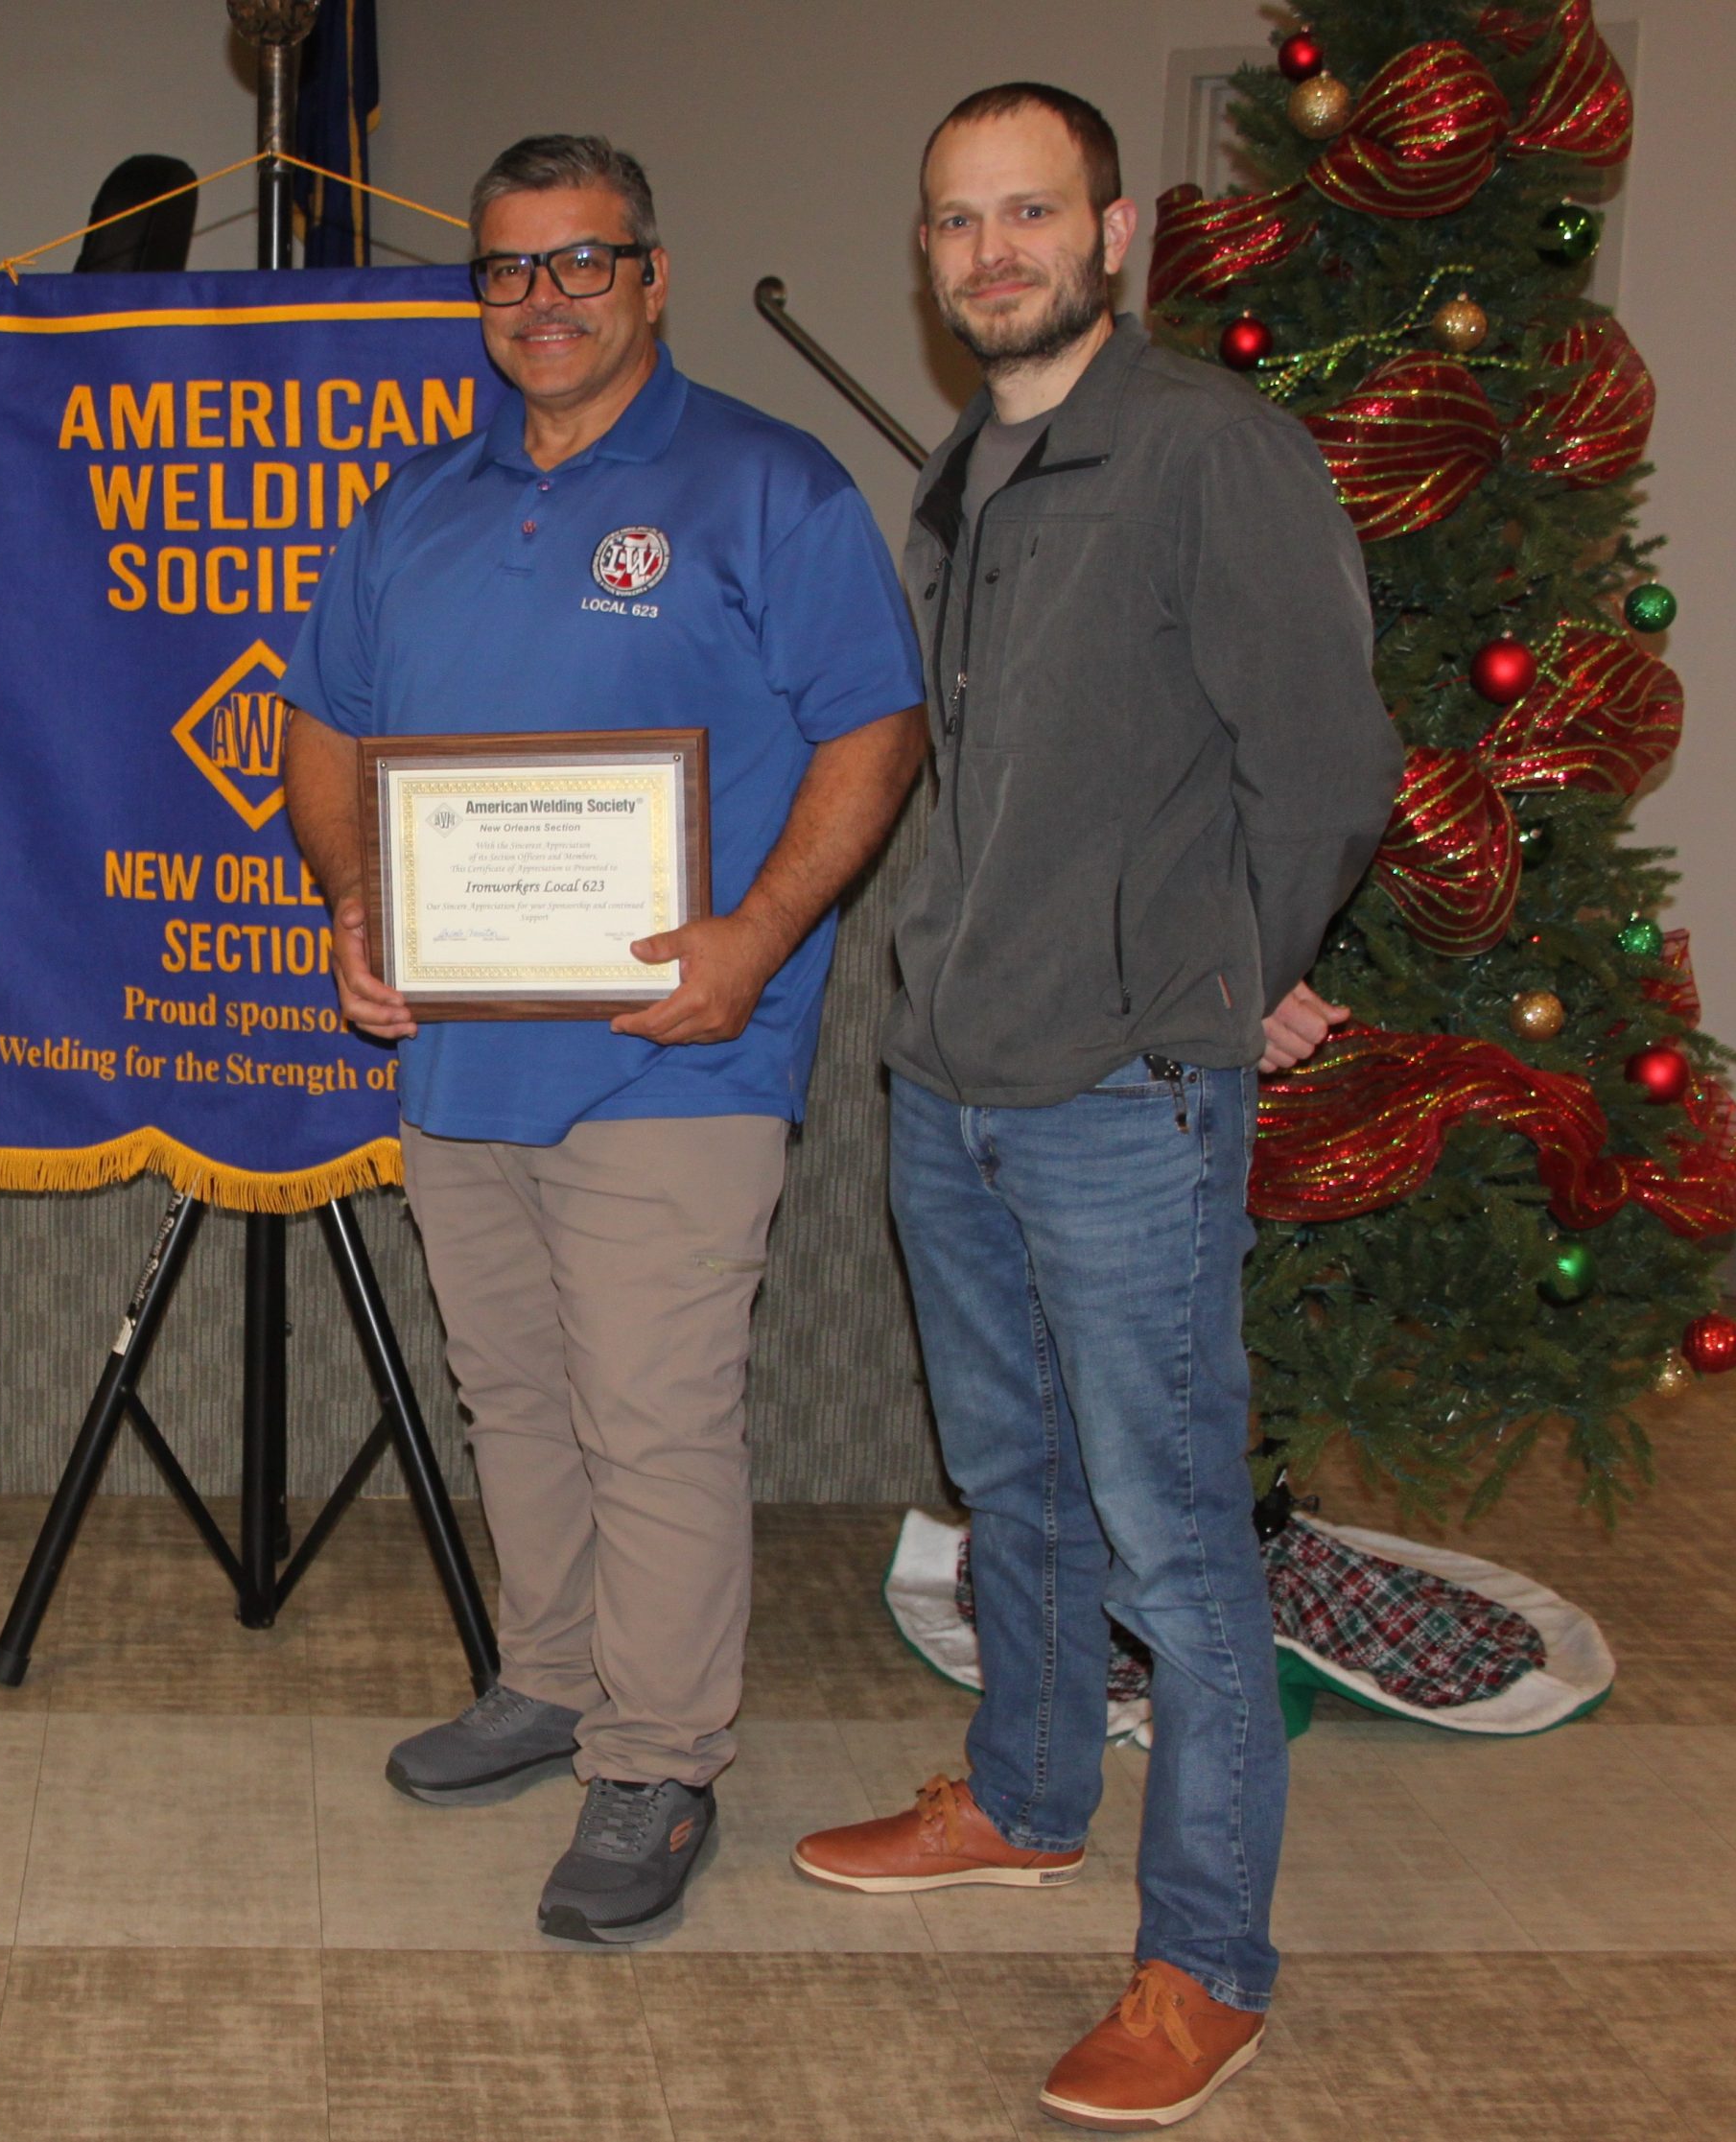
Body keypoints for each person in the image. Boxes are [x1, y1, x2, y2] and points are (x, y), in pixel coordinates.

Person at [788, 85, 1401, 2130]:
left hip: (1124, 1085)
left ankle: (1204, 1959)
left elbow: (1326, 765)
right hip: (951, 1069)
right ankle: (1027, 1797)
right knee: (1011, 1476)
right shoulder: (965, 469)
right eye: (958, 219)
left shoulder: (1210, 453)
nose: (993, 252)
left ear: (1113, 235)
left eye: (1030, 212)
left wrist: (1217, 973)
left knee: (1168, 1531)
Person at [283, 134, 925, 1944]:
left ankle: (657, 1757)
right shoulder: (412, 506)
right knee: (514, 1394)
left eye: (582, 261)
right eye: (507, 268)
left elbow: (876, 728)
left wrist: (756, 939)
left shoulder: (769, 484)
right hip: (461, 1059)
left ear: (651, 275)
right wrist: (357, 899)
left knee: (651, 1414)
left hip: (678, 1049)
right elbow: (323, 728)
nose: (543, 298)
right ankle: (552, 1676)